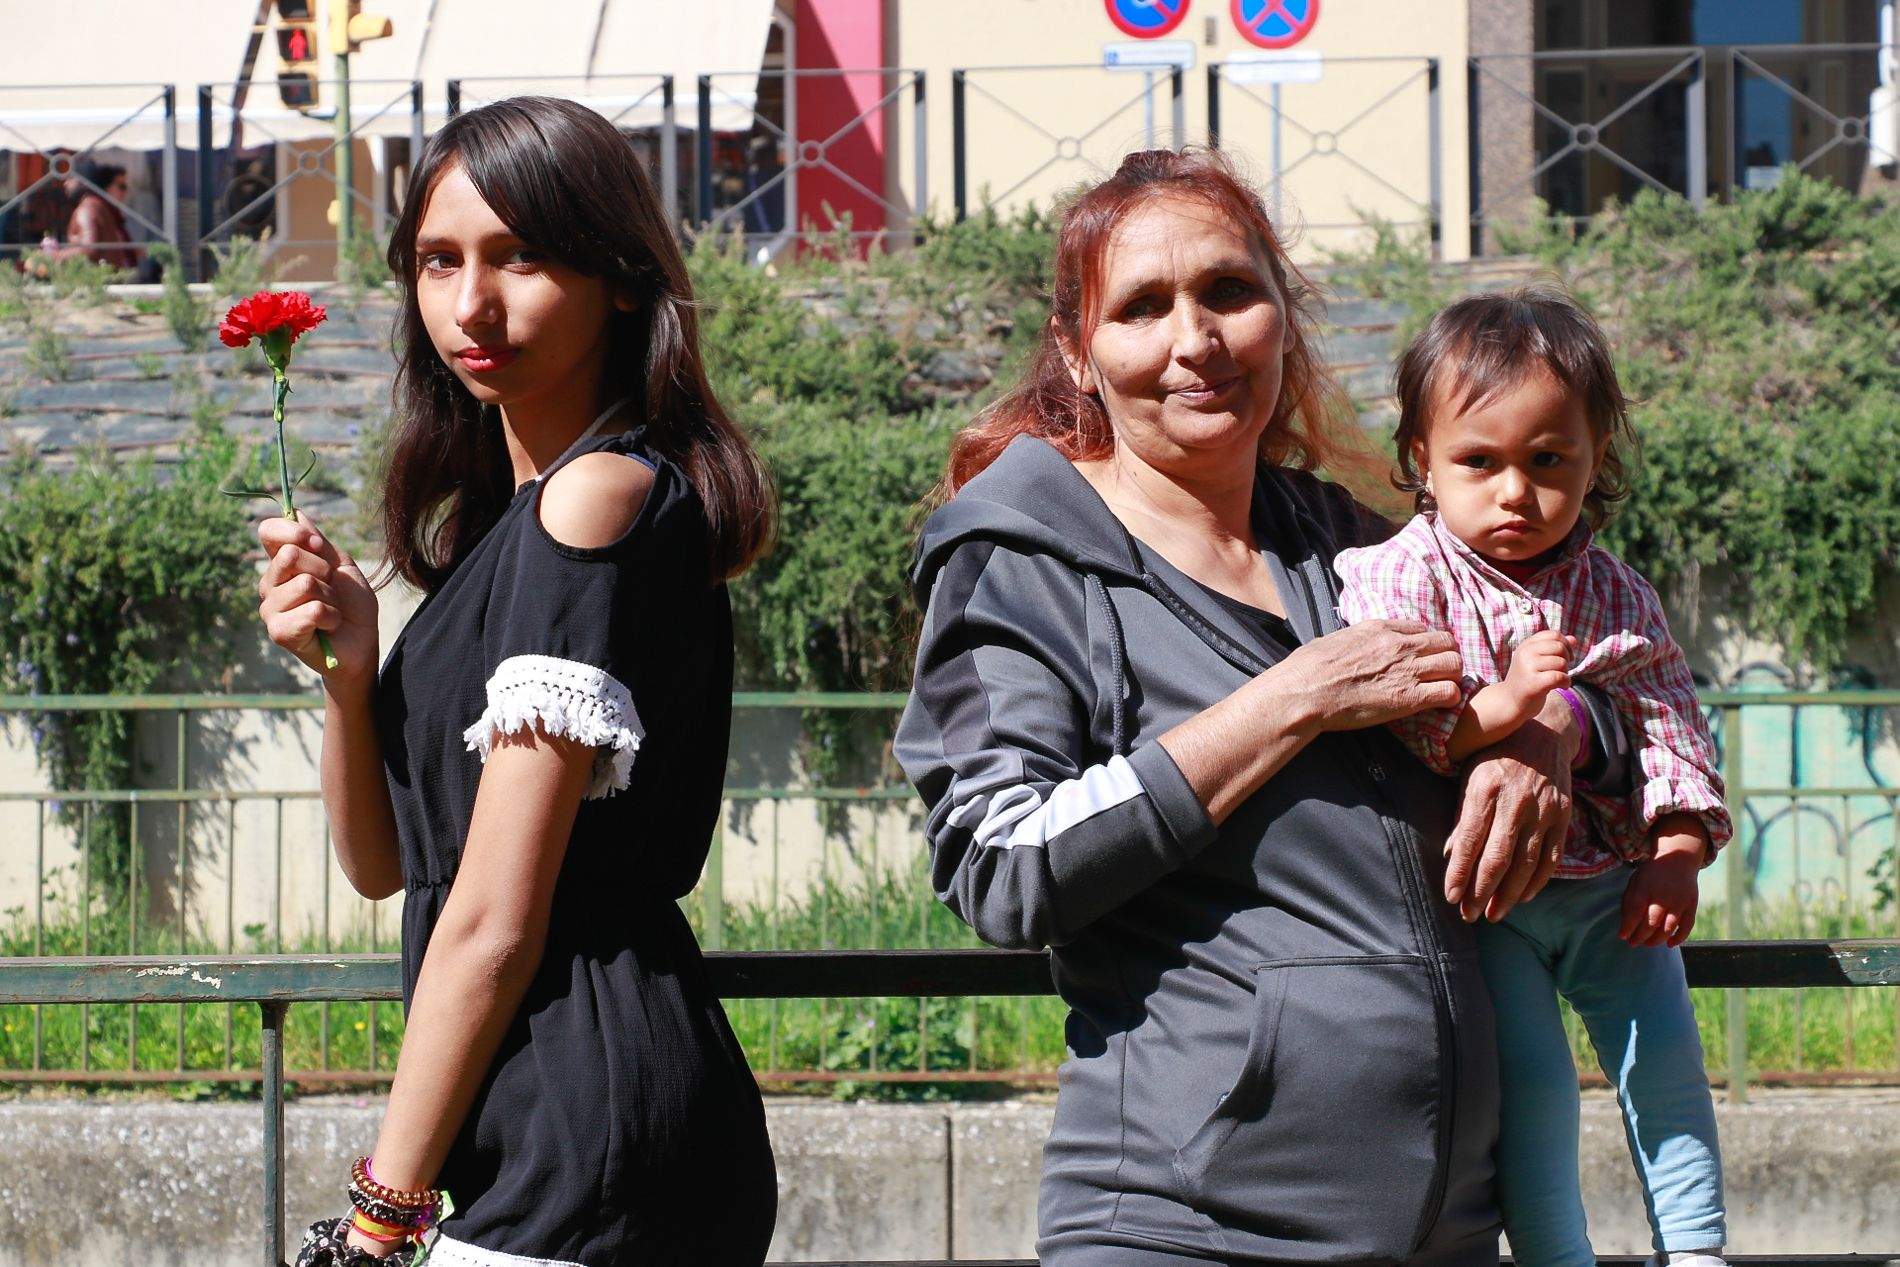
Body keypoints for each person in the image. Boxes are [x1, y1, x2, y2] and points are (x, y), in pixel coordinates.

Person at [895, 148, 1632, 1266]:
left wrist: (1549, 728)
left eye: (1229, 291)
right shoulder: (1021, 563)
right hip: (1183, 1233)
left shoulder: (1359, 544)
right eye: (1142, 307)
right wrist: (1289, 699)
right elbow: (999, 865)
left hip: (1451, 1232)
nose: (1195, 340)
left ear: (1282, 316)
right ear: (1077, 352)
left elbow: (1632, 692)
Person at [254, 96, 778, 1266]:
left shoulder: (594, 501)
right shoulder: (519, 525)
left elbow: (494, 920)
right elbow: (393, 868)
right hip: (543, 1139)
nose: (470, 305)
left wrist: (378, 1218)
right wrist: (350, 679)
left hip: (586, 1141)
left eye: (520, 257)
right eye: (439, 262)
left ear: (622, 281)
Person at [1332, 289, 1730, 1267]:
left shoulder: (1614, 590)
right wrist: (1509, 705)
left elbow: (1669, 714)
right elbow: (1405, 723)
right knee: (1533, 1091)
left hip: (1613, 893)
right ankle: (1558, 1256)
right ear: (1423, 460)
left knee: (1666, 1071)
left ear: (1597, 459)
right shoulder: (1401, 575)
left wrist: (1678, 848)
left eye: (1549, 460)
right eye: (1480, 460)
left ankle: (1696, 1251)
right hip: (1489, 903)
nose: (1515, 492)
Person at [64, 163, 137, 271]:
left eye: (71, 178)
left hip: (97, 277)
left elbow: (89, 249)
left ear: (82, 181)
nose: (65, 183)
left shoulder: (87, 209)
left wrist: (53, 255)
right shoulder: (99, 206)